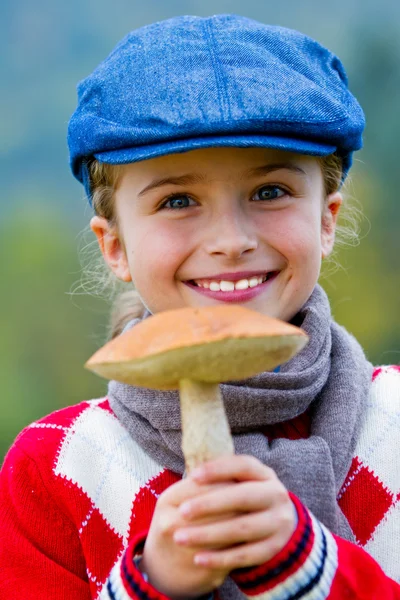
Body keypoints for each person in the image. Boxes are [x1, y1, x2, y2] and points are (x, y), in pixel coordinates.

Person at [0, 14, 399, 600]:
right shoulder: (54, 469)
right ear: (114, 245)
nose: (230, 240)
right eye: (178, 199)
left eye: (270, 192)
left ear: (326, 220)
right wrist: (148, 585)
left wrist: (304, 565)